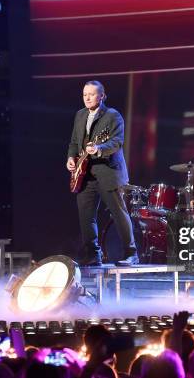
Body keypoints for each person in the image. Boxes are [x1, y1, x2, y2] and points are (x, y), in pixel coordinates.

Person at [66, 80, 137, 266]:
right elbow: (74, 142)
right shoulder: (80, 115)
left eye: (91, 94)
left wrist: (98, 148)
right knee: (86, 216)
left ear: (102, 96)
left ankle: (131, 253)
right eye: (84, 94)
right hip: (85, 174)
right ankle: (93, 254)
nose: (87, 97)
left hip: (109, 172)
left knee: (118, 213)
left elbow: (117, 142)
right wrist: (71, 158)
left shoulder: (113, 116)